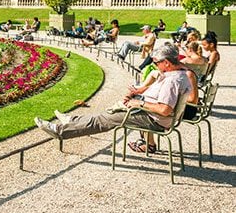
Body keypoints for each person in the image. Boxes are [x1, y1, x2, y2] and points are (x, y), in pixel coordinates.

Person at [35, 43, 191, 146]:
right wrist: (138, 95)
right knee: (107, 114)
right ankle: (72, 120)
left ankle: (60, 130)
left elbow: (165, 109)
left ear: (167, 63)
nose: (155, 65)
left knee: (104, 120)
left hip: (153, 119)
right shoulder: (181, 74)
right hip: (154, 116)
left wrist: (138, 103)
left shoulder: (172, 81)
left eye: (157, 62)